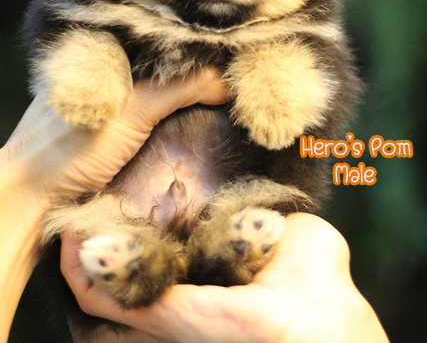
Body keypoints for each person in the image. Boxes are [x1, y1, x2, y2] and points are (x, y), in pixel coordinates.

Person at [1, 70, 389, 343]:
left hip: (199, 209)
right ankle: (175, 264)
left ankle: (163, 266)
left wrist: (22, 183)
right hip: (197, 207)